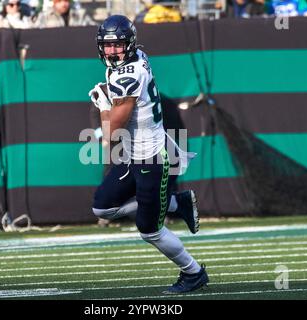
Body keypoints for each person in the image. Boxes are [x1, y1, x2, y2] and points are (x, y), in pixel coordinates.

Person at [88, 15, 209, 294]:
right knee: (102, 207)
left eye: (117, 45)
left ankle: (194, 273)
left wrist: (104, 104)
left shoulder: (128, 75)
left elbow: (110, 134)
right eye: (107, 46)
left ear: (128, 45)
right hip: (134, 155)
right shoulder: (137, 56)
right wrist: (111, 98)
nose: (111, 51)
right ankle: (177, 204)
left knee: (150, 230)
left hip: (151, 159)